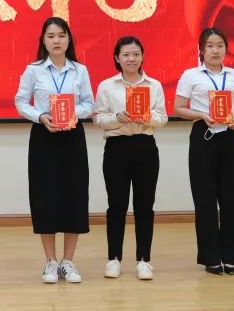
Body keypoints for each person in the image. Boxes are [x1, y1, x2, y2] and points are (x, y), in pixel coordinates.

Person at [14, 16, 94, 284]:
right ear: (43, 41)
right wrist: (40, 116)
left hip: (72, 137)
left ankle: (68, 261)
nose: (56, 40)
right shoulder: (33, 70)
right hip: (44, 136)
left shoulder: (79, 70)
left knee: (74, 195)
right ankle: (50, 261)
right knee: (44, 195)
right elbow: (21, 102)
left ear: (69, 39)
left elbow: (89, 104)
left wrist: (71, 113)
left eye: (61, 35)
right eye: (50, 36)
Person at [173, 27, 234, 275]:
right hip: (203, 136)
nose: (215, 50)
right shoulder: (191, 75)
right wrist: (201, 115)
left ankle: (231, 256)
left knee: (232, 198)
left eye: (219, 45)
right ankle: (211, 257)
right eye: (210, 46)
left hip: (231, 136)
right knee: (204, 199)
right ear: (201, 50)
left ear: (226, 49)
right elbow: (179, 108)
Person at [93, 36, 167, 281]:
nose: (131, 59)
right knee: (117, 205)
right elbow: (98, 118)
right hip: (117, 148)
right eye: (126, 54)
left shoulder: (154, 85)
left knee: (145, 205)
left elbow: (162, 118)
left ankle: (144, 260)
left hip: (145, 146)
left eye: (136, 54)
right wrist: (117, 118)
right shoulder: (107, 86)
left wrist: (146, 117)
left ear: (142, 56)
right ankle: (113, 259)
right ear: (117, 58)